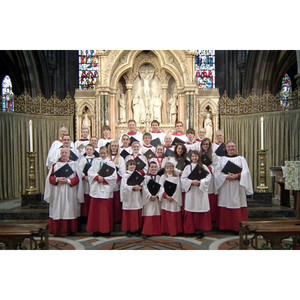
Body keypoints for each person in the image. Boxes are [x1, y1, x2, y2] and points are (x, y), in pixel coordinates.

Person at [214, 141, 253, 233]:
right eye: (229, 147)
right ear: (226, 148)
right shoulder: (221, 159)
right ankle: (224, 227)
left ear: (236, 148)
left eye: (233, 146)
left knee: (237, 203)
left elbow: (246, 172)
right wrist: (225, 176)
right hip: (225, 186)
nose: (231, 148)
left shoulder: (241, 159)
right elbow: (217, 172)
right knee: (225, 203)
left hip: (237, 186)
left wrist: (237, 176)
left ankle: (237, 227)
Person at [44, 148, 84, 237]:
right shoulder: (55, 165)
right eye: (62, 153)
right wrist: (57, 179)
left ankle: (69, 230)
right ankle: (57, 230)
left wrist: (68, 180)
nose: (64, 154)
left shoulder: (74, 165)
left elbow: (78, 179)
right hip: (58, 192)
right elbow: (49, 179)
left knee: (69, 209)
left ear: (69, 154)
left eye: (66, 153)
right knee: (58, 209)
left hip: (70, 191)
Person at [86, 146, 117, 236]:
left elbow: (114, 177)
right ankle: (95, 230)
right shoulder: (96, 162)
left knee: (105, 212)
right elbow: (90, 173)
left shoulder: (110, 163)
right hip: (96, 189)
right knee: (95, 212)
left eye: (104, 153)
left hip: (106, 190)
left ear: (107, 153)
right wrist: (97, 177)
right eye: (101, 153)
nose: (103, 155)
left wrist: (103, 179)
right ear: (99, 153)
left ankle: (106, 230)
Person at [181, 150, 212, 237]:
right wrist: (191, 181)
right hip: (191, 191)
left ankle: (201, 230)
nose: (194, 158)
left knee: (201, 208)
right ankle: (190, 230)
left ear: (199, 157)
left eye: (196, 156)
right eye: (193, 156)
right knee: (191, 208)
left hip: (200, 191)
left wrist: (201, 182)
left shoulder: (204, 167)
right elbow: (183, 179)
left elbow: (209, 176)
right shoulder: (187, 167)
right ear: (190, 158)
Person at [158, 162, 183, 236]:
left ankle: (174, 231)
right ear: (165, 169)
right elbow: (160, 187)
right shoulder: (163, 177)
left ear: (173, 168)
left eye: (171, 168)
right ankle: (166, 230)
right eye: (168, 168)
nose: (169, 169)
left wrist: (173, 197)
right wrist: (166, 196)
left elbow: (178, 188)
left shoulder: (176, 177)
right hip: (166, 199)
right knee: (166, 214)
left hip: (174, 199)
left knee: (174, 215)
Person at [120, 159, 144, 237]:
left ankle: (136, 229)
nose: (132, 166)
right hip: (128, 197)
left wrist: (140, 187)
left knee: (136, 213)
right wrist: (133, 187)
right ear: (127, 166)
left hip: (136, 196)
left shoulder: (138, 174)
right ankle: (129, 230)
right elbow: (123, 187)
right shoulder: (125, 175)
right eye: (130, 165)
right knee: (128, 214)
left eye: (133, 165)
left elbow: (142, 183)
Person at [199, 137, 219, 224]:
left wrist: (209, 168)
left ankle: (212, 218)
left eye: (207, 144)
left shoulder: (213, 155)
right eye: (204, 144)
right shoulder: (199, 154)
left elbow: (217, 166)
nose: (205, 146)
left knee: (210, 197)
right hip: (201, 177)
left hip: (210, 178)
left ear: (210, 145)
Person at [141, 161, 162, 237]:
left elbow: (161, 187)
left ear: (157, 168)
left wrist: (157, 195)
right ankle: (147, 232)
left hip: (156, 198)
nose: (153, 168)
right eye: (152, 167)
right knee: (149, 213)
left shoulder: (159, 177)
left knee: (156, 213)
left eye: (155, 167)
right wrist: (150, 196)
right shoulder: (145, 177)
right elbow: (144, 188)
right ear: (149, 168)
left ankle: (156, 231)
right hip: (148, 199)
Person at [108, 140, 126, 224]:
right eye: (112, 146)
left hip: (116, 184)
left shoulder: (121, 158)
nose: (114, 147)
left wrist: (115, 181)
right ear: (110, 147)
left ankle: (116, 220)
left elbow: (122, 172)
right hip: (106, 184)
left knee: (116, 204)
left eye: (116, 146)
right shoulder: (107, 157)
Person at [78, 144, 95, 222]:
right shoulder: (83, 160)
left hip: (94, 182)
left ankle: (93, 215)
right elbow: (79, 170)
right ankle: (85, 216)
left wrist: (92, 177)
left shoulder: (96, 160)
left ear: (93, 151)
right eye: (87, 149)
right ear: (85, 151)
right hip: (85, 181)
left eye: (90, 149)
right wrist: (84, 176)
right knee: (86, 198)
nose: (89, 151)